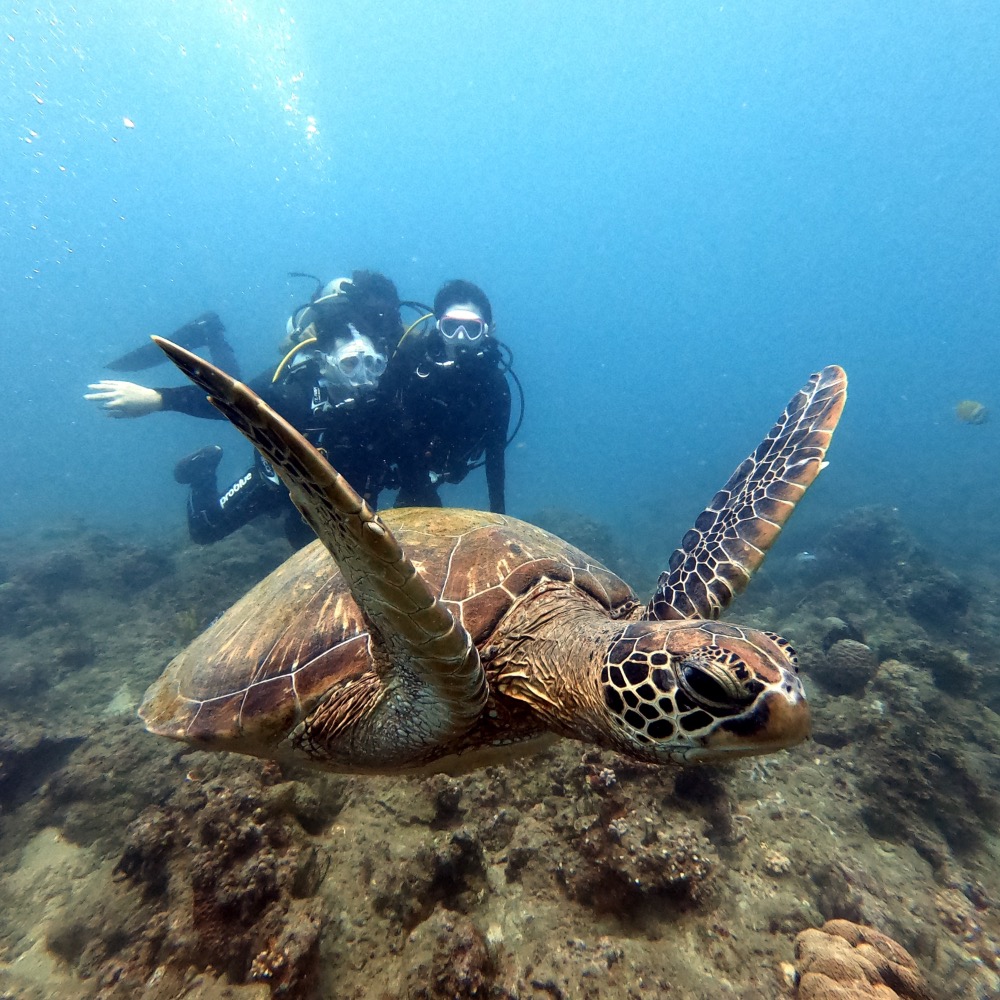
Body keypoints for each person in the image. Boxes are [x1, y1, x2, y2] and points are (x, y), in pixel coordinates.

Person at [85, 271, 402, 545]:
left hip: (331, 496)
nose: (363, 376)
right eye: (350, 363)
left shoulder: (384, 401)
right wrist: (158, 399)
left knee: (311, 540)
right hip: (278, 479)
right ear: (326, 362)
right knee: (205, 529)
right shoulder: (295, 394)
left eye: (373, 364)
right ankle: (203, 468)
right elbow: (232, 401)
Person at [380, 280, 515, 513]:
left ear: (487, 331)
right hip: (401, 462)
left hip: (447, 465)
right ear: (438, 327)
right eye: (451, 327)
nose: (460, 338)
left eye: (471, 329)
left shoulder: (495, 385)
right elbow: (379, 418)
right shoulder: (413, 362)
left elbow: (495, 454)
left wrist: (499, 516)